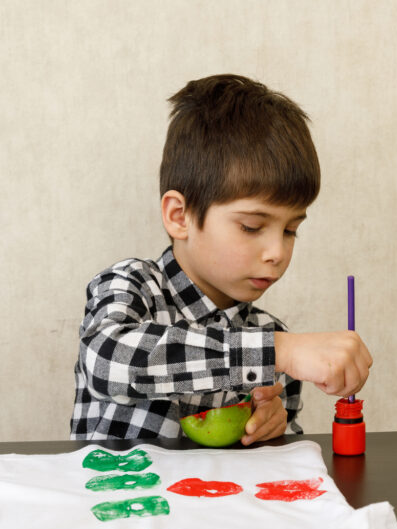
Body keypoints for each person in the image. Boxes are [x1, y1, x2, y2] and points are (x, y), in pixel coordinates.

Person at [70, 74, 372, 444]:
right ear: (180, 216)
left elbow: (277, 475)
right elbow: (107, 361)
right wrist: (277, 351)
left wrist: (274, 429)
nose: (277, 252)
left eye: (290, 230)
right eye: (250, 226)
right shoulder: (131, 286)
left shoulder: (270, 335)